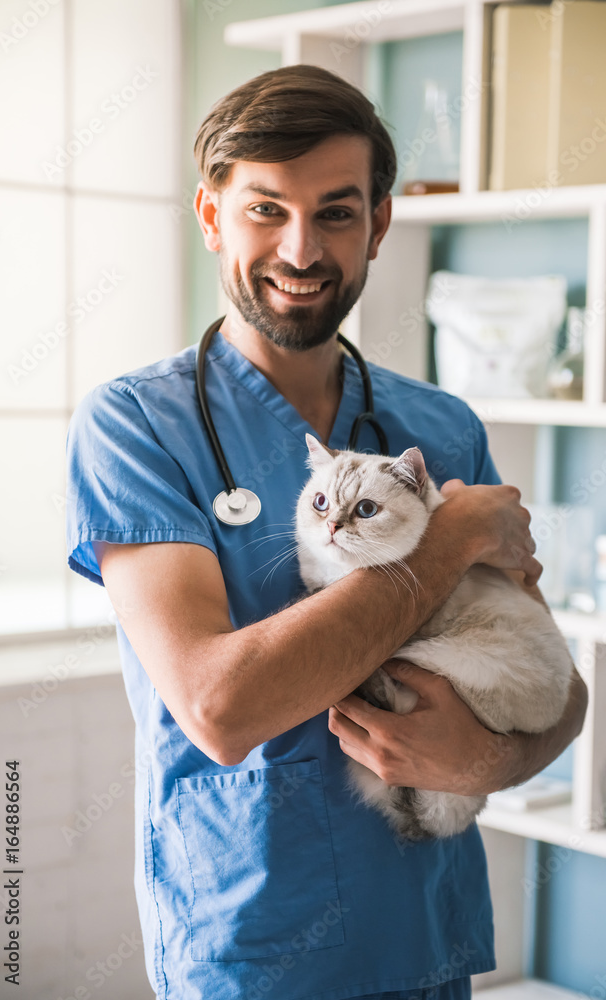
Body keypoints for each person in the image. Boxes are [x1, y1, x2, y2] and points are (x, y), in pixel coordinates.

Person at [65, 64, 587, 1000]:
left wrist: (494, 757)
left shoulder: (443, 430)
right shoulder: (135, 427)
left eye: (337, 213)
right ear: (211, 214)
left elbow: (558, 687)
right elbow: (221, 711)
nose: (301, 248)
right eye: (266, 209)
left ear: (379, 223)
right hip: (252, 946)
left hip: (428, 935)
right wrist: (444, 542)